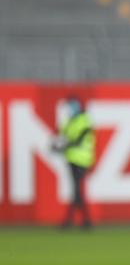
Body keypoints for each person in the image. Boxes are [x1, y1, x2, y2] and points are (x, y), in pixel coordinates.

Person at [54, 96, 95, 229]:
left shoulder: (84, 121)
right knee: (77, 190)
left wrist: (63, 146)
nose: (70, 109)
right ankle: (84, 221)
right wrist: (56, 145)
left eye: (71, 106)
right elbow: (63, 136)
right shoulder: (70, 121)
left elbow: (79, 140)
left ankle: (72, 220)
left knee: (77, 190)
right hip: (72, 159)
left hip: (82, 160)